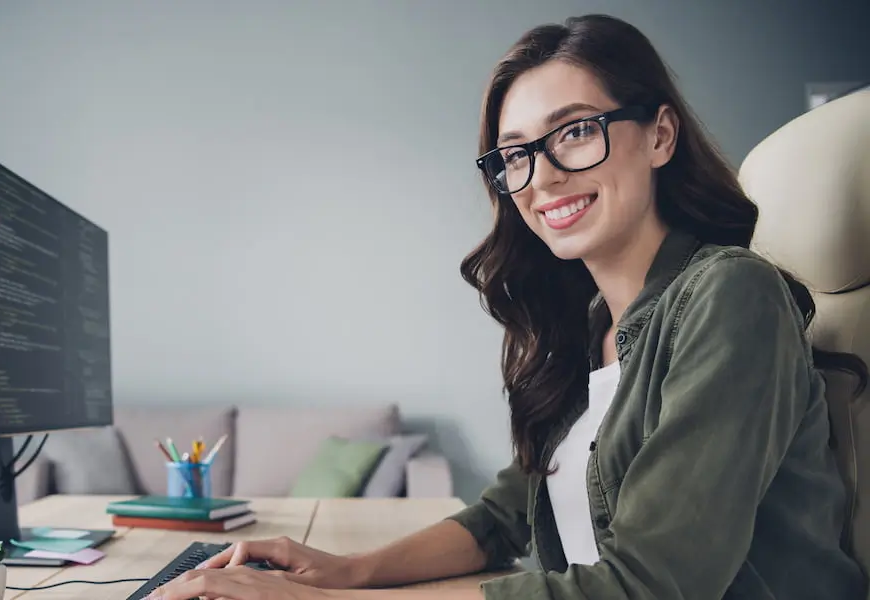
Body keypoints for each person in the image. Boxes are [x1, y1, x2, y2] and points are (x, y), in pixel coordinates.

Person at [143, 13, 870, 600]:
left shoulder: (732, 295)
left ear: (659, 134)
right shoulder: (592, 331)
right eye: (514, 153)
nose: (542, 176)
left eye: (576, 130)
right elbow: (500, 519)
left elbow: (656, 582)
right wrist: (341, 570)